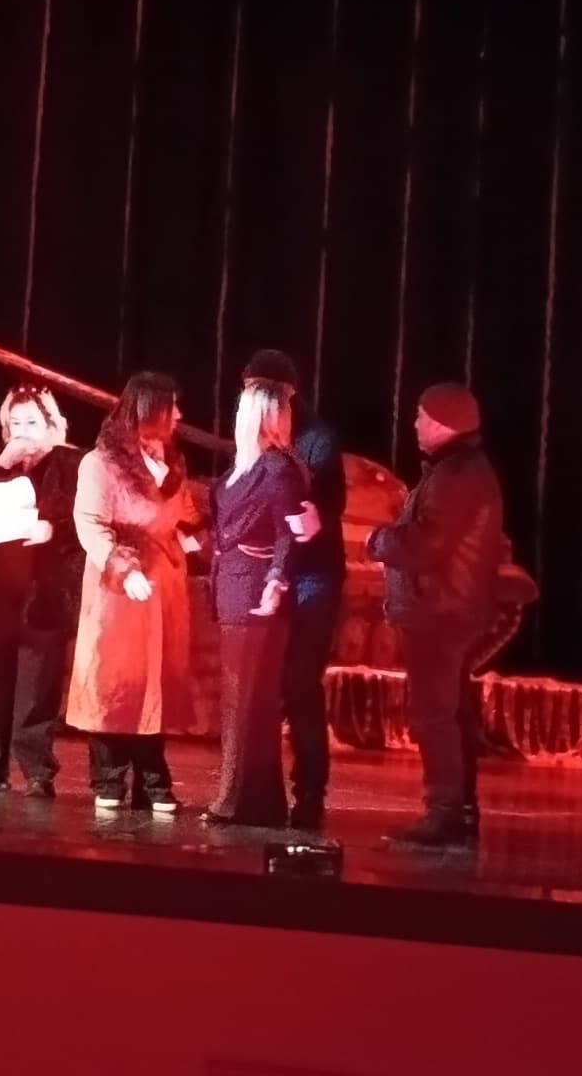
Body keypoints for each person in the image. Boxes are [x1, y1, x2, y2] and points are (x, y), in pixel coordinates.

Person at [372, 381, 513, 849]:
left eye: (420, 415)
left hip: (439, 612)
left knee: (433, 715)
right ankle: (461, 812)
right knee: (450, 712)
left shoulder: (457, 476)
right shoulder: (460, 470)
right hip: (450, 609)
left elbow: (426, 545)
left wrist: (379, 541)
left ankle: (445, 814)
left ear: (442, 422)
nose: (414, 423)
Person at [67, 371, 205, 814]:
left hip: (164, 584)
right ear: (149, 409)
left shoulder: (172, 462)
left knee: (155, 679)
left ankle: (152, 777)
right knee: (116, 679)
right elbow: (90, 522)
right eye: (171, 406)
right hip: (120, 587)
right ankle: (109, 775)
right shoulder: (101, 463)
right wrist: (123, 569)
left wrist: (201, 542)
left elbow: (185, 514)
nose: (178, 415)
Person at [0, 385, 81, 797]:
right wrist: (0, 464)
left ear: (50, 426)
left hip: (44, 590)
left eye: (31, 422)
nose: (22, 431)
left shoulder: (69, 464)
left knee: (37, 685)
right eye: (15, 423)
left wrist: (53, 527)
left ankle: (37, 770)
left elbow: (85, 517)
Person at [240, 350, 347, 828]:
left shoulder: (316, 440)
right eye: (249, 391)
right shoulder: (252, 436)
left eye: (265, 391)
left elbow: (324, 503)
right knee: (264, 685)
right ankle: (256, 790)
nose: (255, 400)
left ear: (289, 393)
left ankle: (309, 790)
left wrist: (302, 517)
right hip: (268, 573)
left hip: (311, 576)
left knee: (301, 682)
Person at [207, 378, 318, 828]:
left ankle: (237, 801)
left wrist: (276, 579)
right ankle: (259, 802)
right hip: (233, 588)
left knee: (247, 700)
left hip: (254, 592)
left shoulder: (276, 468)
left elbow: (289, 532)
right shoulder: (244, 468)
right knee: (245, 700)